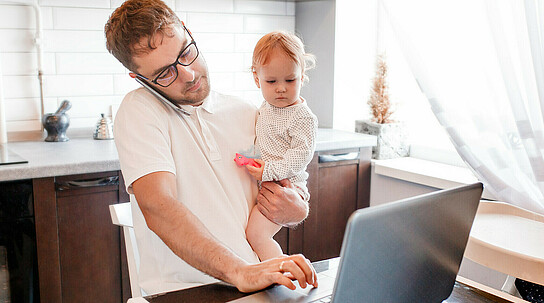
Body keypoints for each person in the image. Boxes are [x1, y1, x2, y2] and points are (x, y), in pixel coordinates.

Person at [104, 0, 317, 296]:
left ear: (189, 33)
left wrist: (296, 208)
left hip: (258, 282)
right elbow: (158, 206)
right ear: (140, 79)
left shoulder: (247, 112)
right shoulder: (139, 111)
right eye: (166, 73)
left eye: (186, 53)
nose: (188, 74)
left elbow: (278, 187)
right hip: (187, 292)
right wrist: (239, 271)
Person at [238, 31, 318, 261]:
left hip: (289, 187)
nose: (281, 88)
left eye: (290, 80)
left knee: (257, 235)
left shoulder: (302, 117)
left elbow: (300, 156)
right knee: (251, 236)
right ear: (257, 79)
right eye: (271, 81)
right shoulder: (267, 107)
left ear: (302, 76)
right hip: (268, 182)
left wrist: (268, 171)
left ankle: (279, 274)